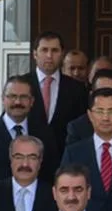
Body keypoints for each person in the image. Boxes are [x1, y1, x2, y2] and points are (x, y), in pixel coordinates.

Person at [0, 75, 55, 189]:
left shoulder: (45, 133)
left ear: (32, 101)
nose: (18, 102)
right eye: (12, 96)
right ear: (3, 99)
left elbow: (51, 175)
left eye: (23, 97)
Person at [23, 31, 89, 163]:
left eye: (54, 50)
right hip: (29, 161)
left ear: (62, 54)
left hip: (65, 161)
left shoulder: (77, 88)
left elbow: (83, 127)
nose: (49, 55)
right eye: (44, 50)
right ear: (35, 54)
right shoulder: (22, 84)